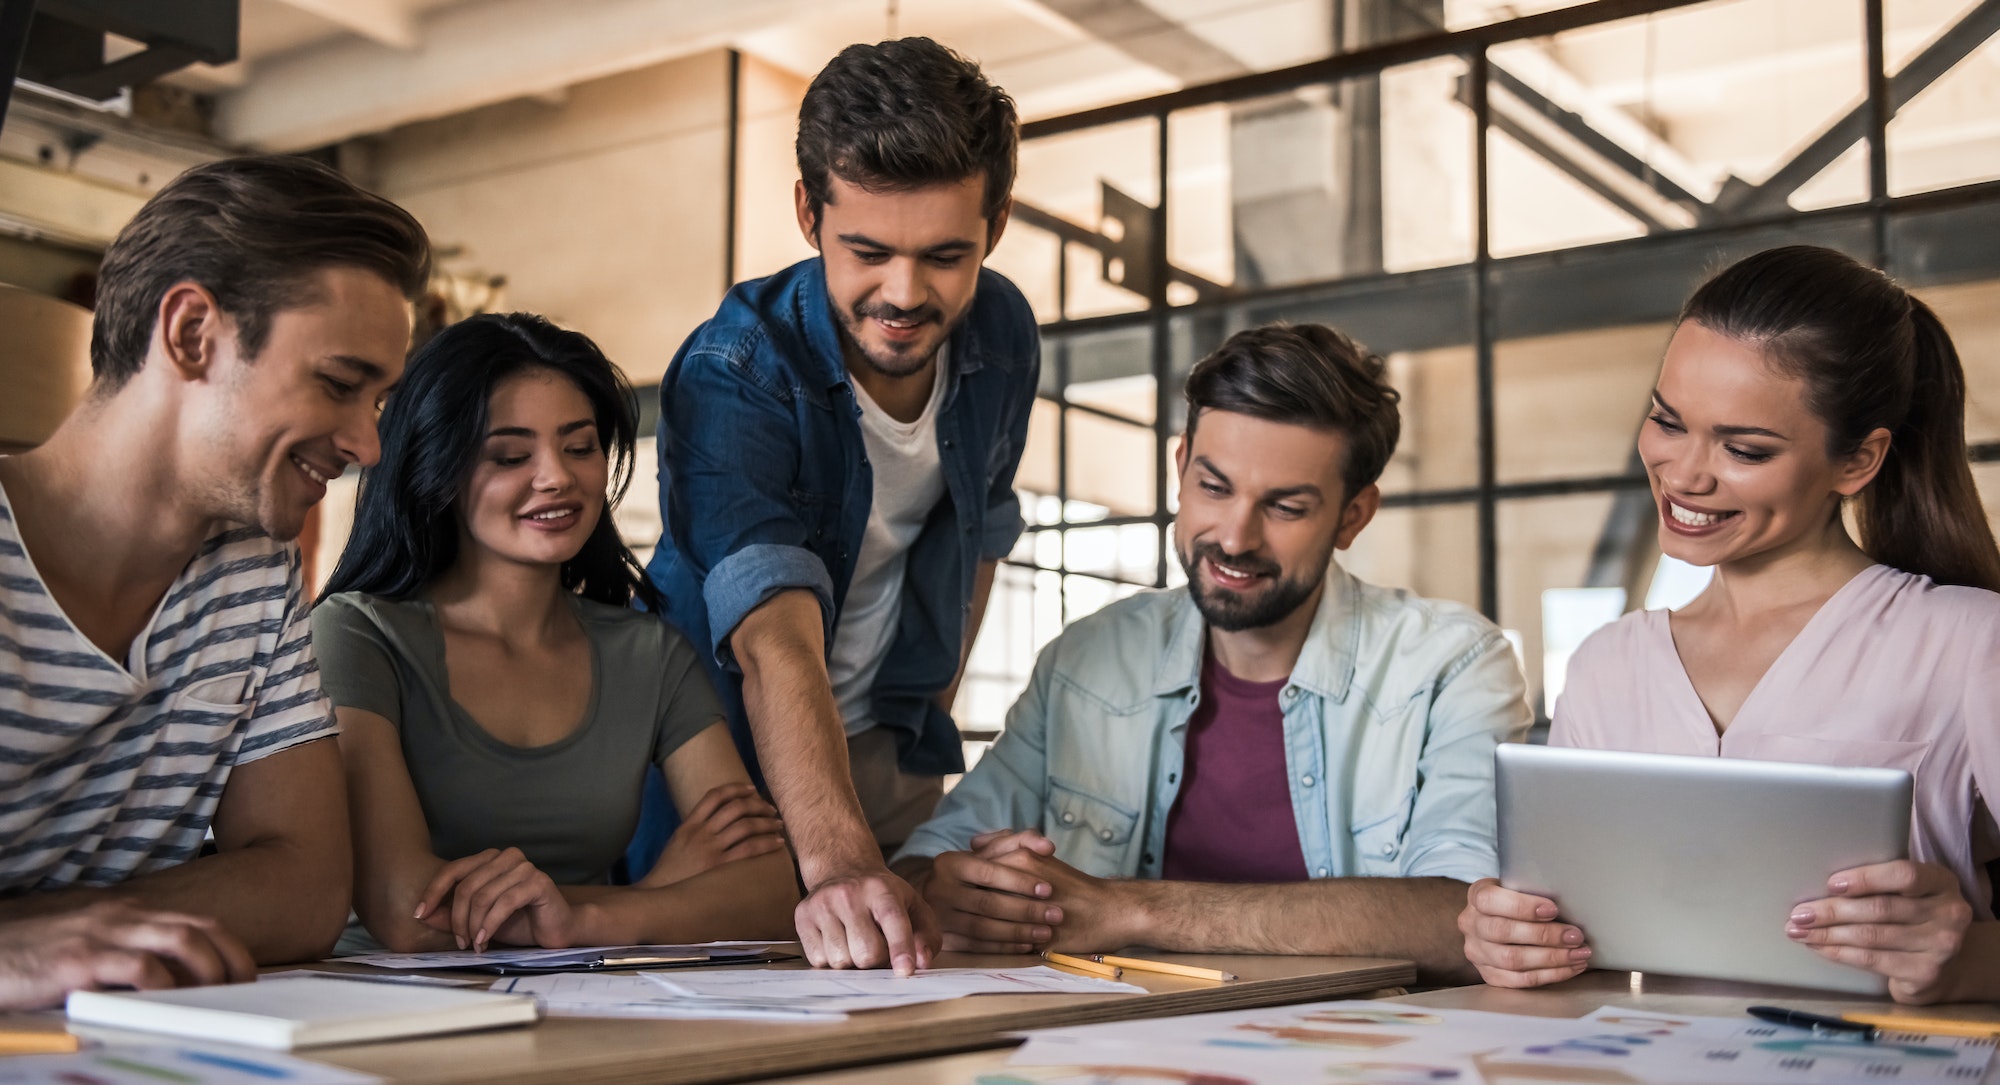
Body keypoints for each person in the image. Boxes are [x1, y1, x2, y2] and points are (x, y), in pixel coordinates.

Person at [893, 323, 1532, 983]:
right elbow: (923, 864)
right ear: (1180, 469)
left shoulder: (1451, 665)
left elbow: (1464, 919)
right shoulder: (1088, 660)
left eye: (1284, 506)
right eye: (1214, 487)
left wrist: (1131, 909)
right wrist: (959, 893)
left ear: (1353, 515)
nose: (1233, 536)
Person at [1458, 245, 2000, 1004]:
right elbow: (1579, 946)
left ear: (1859, 461)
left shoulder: (1969, 642)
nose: (1684, 473)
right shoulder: (1608, 664)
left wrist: (1969, 959)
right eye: (1666, 421)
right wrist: (1511, 936)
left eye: (1743, 447)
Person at [640, 37, 1039, 973]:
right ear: (808, 211)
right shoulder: (732, 371)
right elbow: (768, 634)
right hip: (726, 756)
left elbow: (981, 532)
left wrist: (927, 711)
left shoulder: (1005, 330)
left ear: (998, 220)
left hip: (891, 740)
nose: (904, 295)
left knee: (897, 994)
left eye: (947, 254)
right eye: (867, 251)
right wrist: (842, 860)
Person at [0, 155, 431, 1007]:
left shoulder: (254, 575)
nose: (367, 446)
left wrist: (60, 930)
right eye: (340, 384)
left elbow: (305, 889)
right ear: (193, 334)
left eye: (377, 402)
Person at [315, 314, 798, 953]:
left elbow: (772, 892)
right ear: (439, 470)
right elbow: (409, 911)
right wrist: (653, 899)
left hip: (595, 1000)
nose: (557, 478)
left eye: (579, 446)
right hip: (384, 1015)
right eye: (510, 456)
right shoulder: (359, 635)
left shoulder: (649, 653)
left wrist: (587, 922)